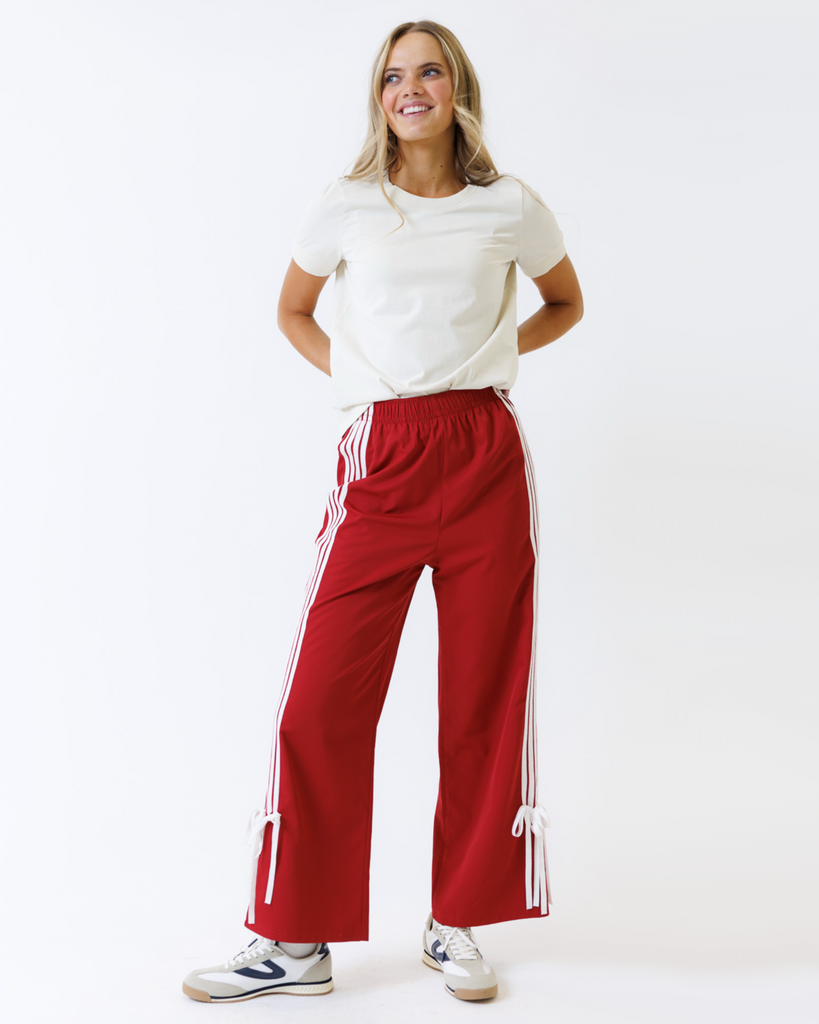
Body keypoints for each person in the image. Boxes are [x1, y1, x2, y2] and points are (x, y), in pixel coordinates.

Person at [182, 18, 583, 1005]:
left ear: (458, 88)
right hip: (383, 457)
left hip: (485, 451)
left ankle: (456, 921)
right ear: (378, 96)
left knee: (483, 694)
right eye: (394, 75)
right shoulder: (346, 205)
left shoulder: (509, 206)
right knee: (321, 696)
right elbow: (293, 310)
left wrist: (490, 359)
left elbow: (566, 301)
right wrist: (364, 378)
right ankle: (295, 940)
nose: (412, 88)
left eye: (429, 71)